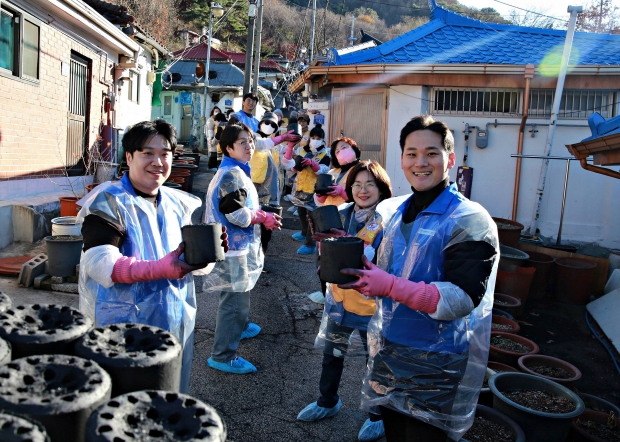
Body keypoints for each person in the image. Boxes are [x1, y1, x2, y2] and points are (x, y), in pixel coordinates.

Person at [339, 116, 499, 441]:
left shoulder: (470, 220)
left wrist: (390, 286)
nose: (420, 162)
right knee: (395, 433)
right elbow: (368, 253)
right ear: (401, 160)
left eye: (432, 153)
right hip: (388, 348)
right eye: (411, 153)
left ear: (450, 159)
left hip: (435, 362)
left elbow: (462, 298)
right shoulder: (392, 212)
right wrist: (339, 254)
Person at [77, 120, 228, 393]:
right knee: (125, 405)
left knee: (167, 398)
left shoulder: (177, 203)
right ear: (129, 157)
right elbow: (99, 263)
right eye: (148, 153)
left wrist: (204, 256)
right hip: (122, 330)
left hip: (173, 321)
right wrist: (160, 268)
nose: (157, 161)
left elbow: (188, 264)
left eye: (165, 153)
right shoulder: (108, 202)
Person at [298, 160, 406, 442]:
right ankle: (327, 401)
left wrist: (346, 244)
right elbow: (327, 256)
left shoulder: (390, 222)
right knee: (331, 354)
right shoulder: (342, 214)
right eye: (357, 184)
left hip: (373, 307)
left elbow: (387, 263)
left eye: (370, 183)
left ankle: (377, 415)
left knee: (377, 362)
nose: (363, 189)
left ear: (382, 188)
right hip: (339, 301)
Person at [202, 122, 283, 374]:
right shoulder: (231, 174)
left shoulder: (236, 169)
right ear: (228, 148)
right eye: (242, 143)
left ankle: (241, 325)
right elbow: (236, 213)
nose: (249, 146)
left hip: (235, 244)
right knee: (234, 299)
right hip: (232, 247)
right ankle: (223, 354)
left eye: (250, 140)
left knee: (241, 290)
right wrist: (261, 217)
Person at [250, 112, 300, 251]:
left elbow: (286, 163)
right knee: (252, 229)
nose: (269, 126)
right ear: (260, 123)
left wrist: (290, 146)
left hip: (272, 195)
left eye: (273, 125)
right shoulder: (253, 137)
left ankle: (262, 258)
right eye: (267, 122)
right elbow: (260, 145)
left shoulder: (276, 146)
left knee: (267, 231)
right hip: (255, 192)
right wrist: (283, 137)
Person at [282, 123, 331, 255]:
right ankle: (304, 233)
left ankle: (310, 244)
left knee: (312, 218)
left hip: (314, 191)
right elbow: (291, 167)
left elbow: (323, 170)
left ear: (322, 139)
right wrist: (296, 165)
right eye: (313, 137)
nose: (315, 140)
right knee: (301, 213)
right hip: (300, 188)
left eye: (318, 138)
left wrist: (313, 165)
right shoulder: (302, 150)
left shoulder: (325, 155)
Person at [314, 137, 362, 208]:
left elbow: (362, 198)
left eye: (344, 148)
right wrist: (320, 193)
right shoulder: (331, 172)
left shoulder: (362, 170)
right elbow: (320, 202)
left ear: (354, 148)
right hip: (329, 214)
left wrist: (342, 191)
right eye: (337, 152)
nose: (341, 152)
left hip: (349, 215)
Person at [206, 106, 222, 170]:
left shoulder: (219, 120)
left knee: (218, 154)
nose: (217, 112)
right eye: (215, 111)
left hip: (219, 140)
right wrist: (211, 138)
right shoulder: (211, 120)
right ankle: (211, 167)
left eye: (218, 111)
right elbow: (210, 130)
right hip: (213, 139)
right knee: (213, 153)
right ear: (212, 112)